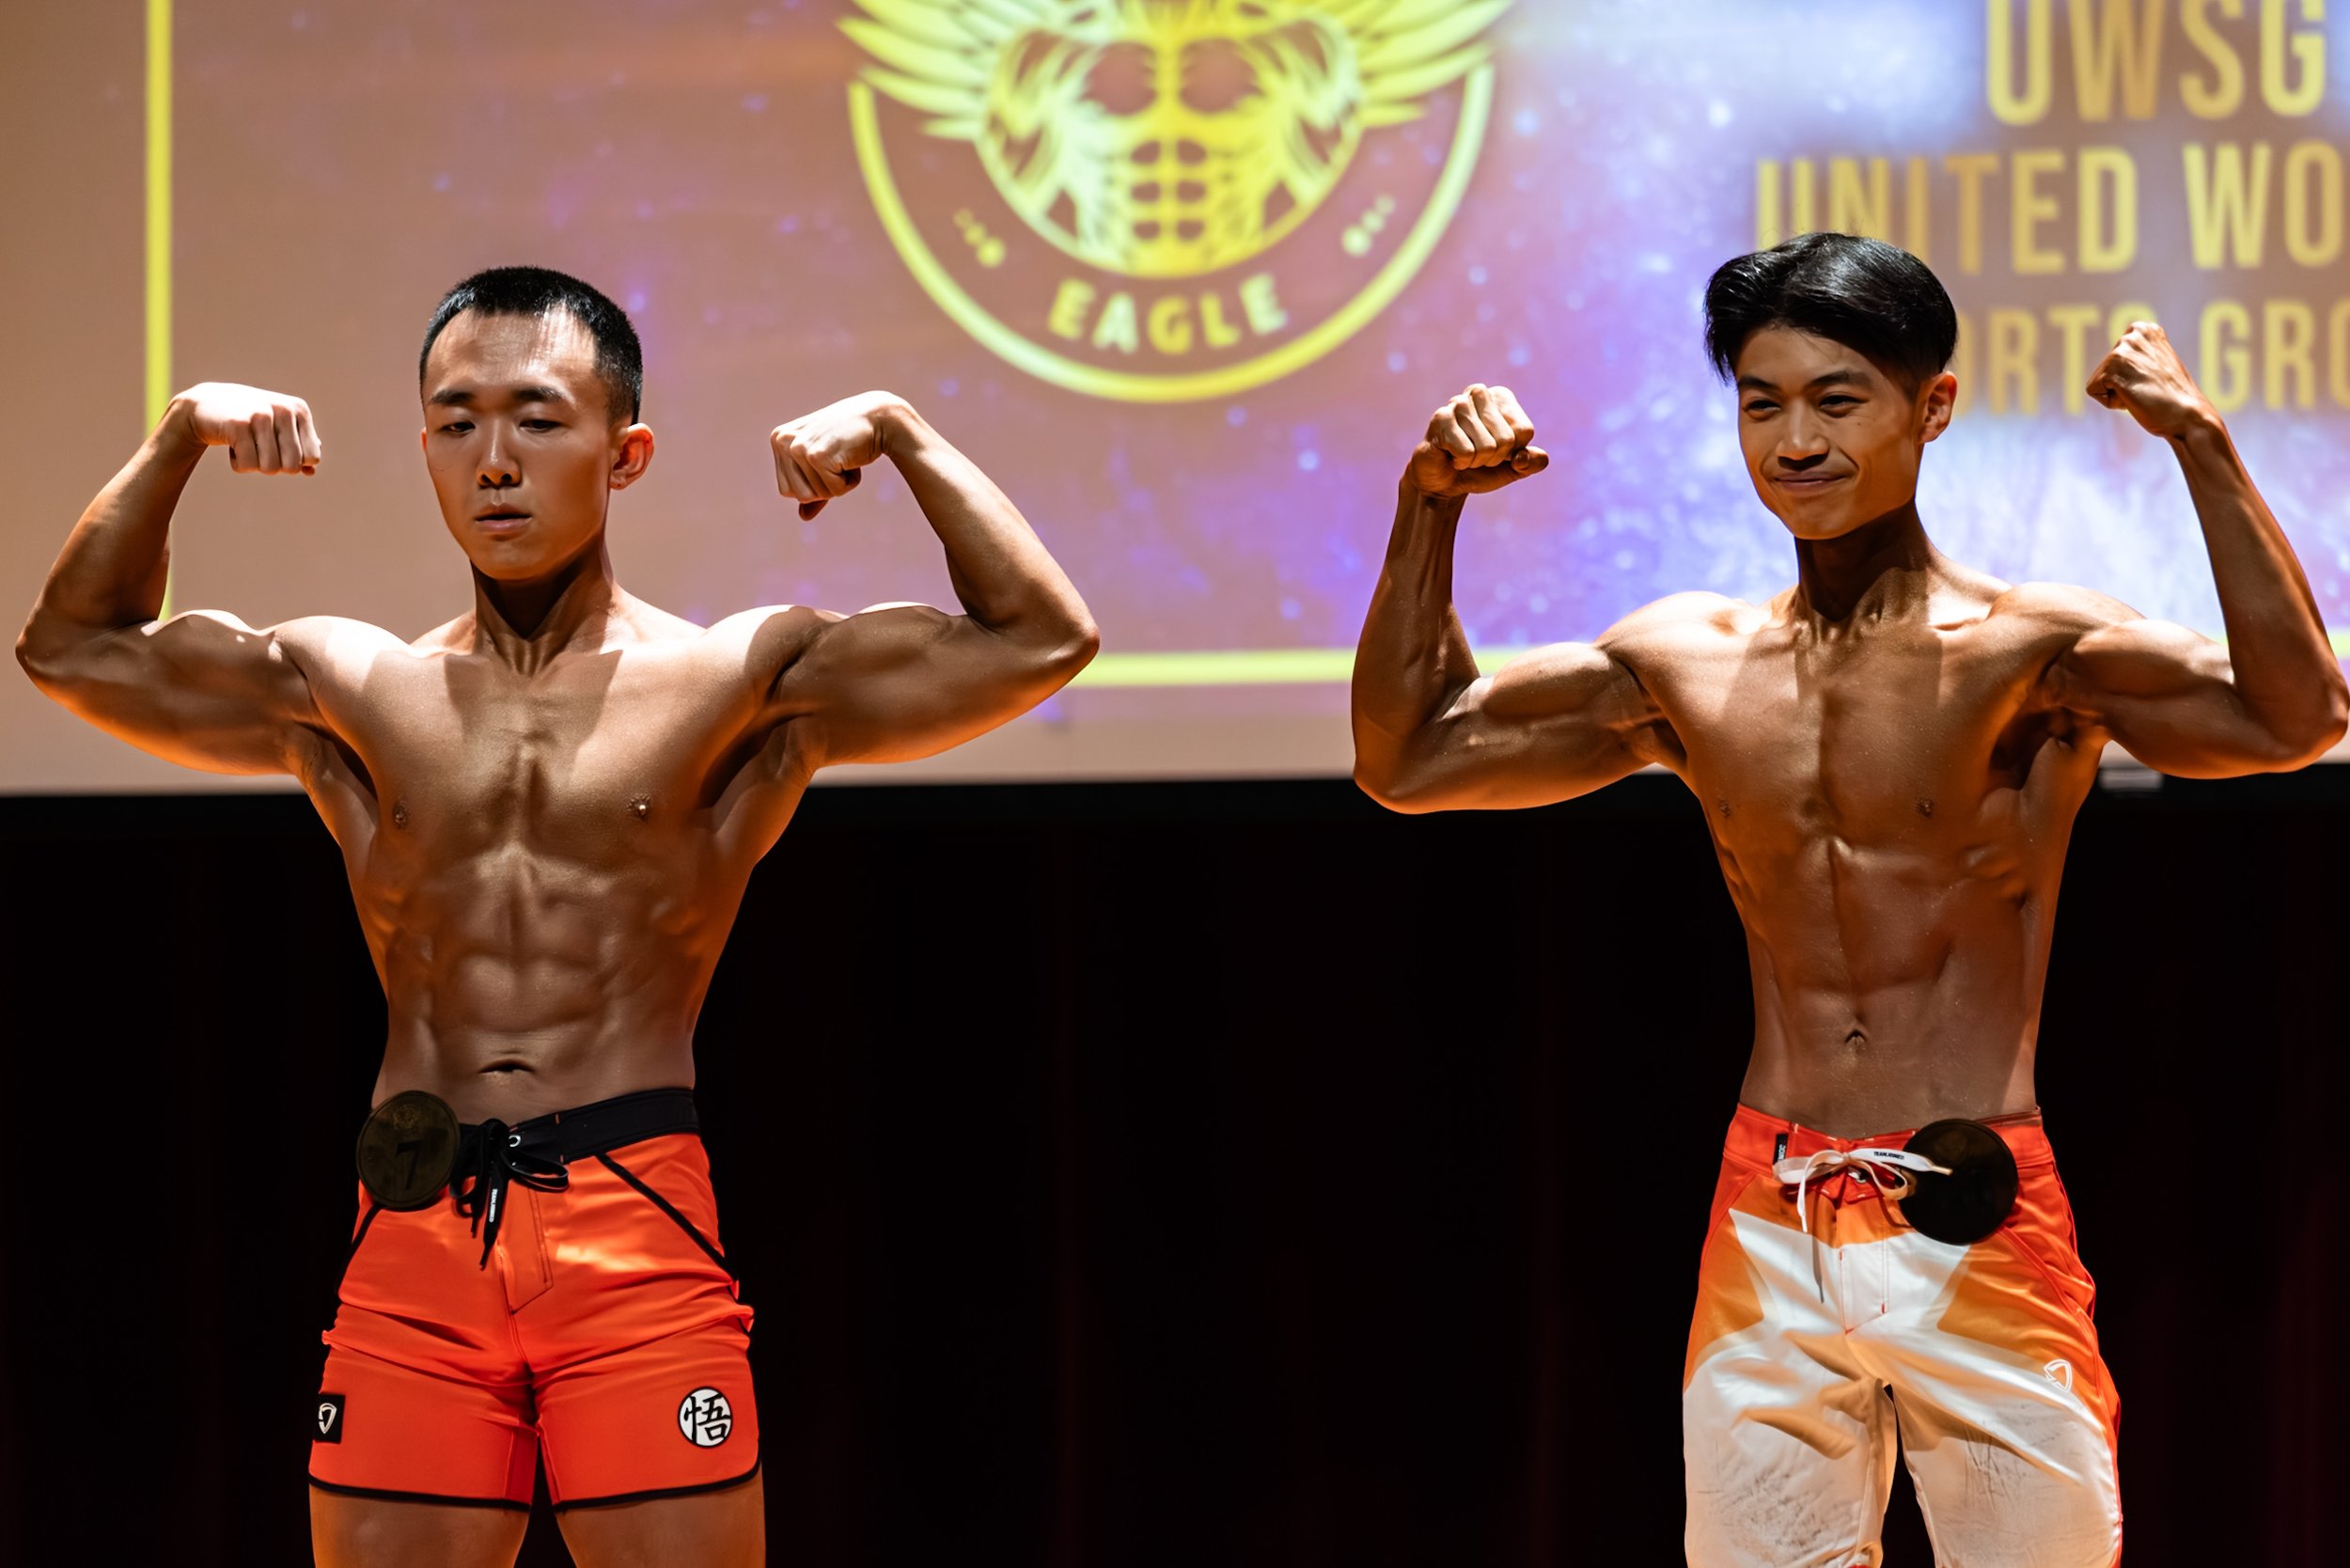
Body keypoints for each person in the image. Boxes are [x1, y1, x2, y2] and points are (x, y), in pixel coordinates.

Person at [15, 266, 1098, 1568]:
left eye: (536, 418)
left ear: (623, 452)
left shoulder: (732, 680)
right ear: (423, 445)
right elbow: (71, 650)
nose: (494, 463)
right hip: (412, 1234)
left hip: (632, 1220)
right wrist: (181, 432)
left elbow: (1041, 637)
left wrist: (901, 431)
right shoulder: (353, 687)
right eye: (457, 421)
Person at [1349, 233, 2345, 1566]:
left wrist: (2204, 447)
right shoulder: (1687, 662)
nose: (1794, 440)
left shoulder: (2027, 652)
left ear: (1931, 407)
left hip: (1973, 1204)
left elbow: (2294, 717)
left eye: (1837, 399)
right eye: (1762, 403)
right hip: (1770, 1214)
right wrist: (1431, 503)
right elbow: (1410, 760)